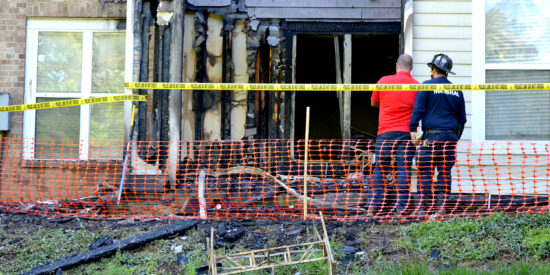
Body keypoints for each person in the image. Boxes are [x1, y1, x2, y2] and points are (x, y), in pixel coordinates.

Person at [409, 53, 467, 216]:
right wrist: (455, 138)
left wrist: (412, 129)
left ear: (433, 69)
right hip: (449, 139)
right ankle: (442, 209)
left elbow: (418, 110)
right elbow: (462, 119)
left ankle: (422, 209)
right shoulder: (457, 90)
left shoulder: (427, 86)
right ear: (447, 72)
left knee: (425, 171)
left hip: (431, 138)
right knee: (444, 172)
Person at [369, 53, 419, 216]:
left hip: (385, 133)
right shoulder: (417, 86)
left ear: (396, 66)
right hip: (406, 134)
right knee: (403, 169)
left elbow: (373, 102)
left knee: (380, 167)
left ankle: (374, 205)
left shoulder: (383, 81)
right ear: (411, 68)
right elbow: (419, 110)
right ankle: (402, 207)